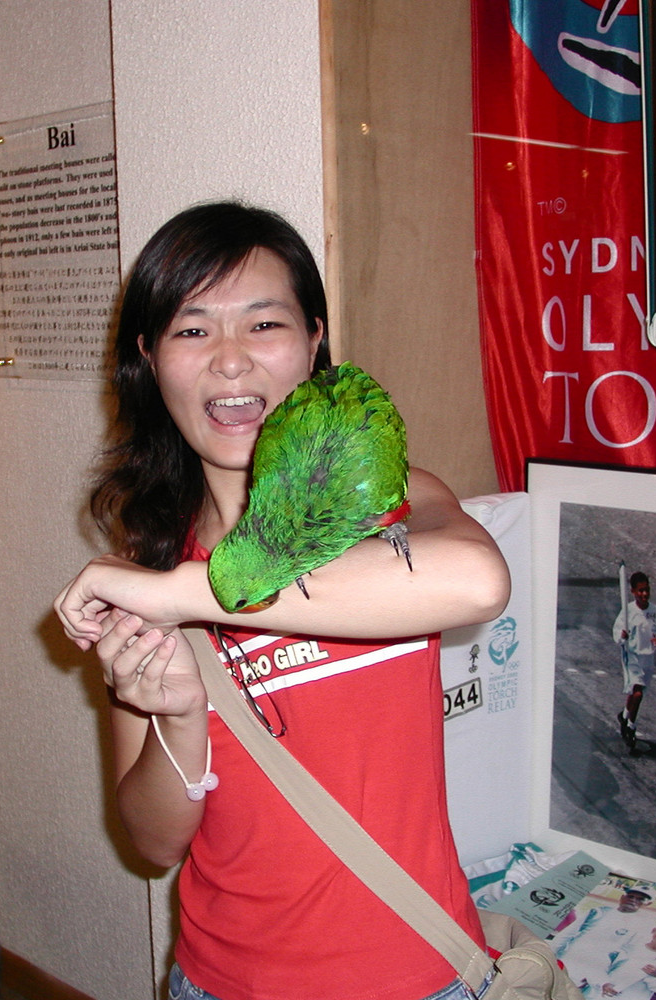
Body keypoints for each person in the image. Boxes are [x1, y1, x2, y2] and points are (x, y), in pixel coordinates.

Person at [53, 201, 511, 1000]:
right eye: (192, 330)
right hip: (222, 983)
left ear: (314, 341)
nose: (230, 361)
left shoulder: (387, 508)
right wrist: (179, 720)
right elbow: (154, 843)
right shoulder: (151, 570)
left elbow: (478, 581)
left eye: (264, 324)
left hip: (423, 978)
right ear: (150, 358)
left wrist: (186, 593)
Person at [551, 885, 656, 993]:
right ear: (622, 897)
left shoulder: (642, 926)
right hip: (565, 961)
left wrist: (602, 980)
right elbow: (566, 935)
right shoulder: (598, 911)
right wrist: (551, 956)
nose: (633, 900)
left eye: (640, 899)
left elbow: (627, 956)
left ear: (648, 904)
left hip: (591, 973)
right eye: (630, 896)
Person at [611, 572, 656, 746]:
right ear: (633, 591)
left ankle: (624, 716)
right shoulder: (628, 611)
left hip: (648, 657)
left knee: (637, 692)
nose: (644, 594)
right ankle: (631, 726)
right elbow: (617, 631)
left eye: (646, 590)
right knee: (637, 692)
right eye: (640, 591)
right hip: (631, 655)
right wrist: (621, 635)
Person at [592, 920, 656, 999]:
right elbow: (599, 965)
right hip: (597, 993)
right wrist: (603, 982)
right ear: (654, 930)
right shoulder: (630, 946)